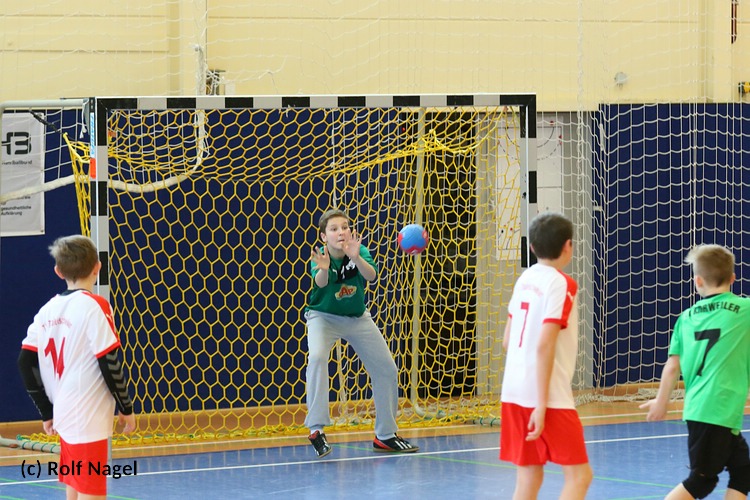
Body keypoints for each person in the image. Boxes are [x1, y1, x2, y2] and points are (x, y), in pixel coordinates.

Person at [17, 235, 136, 500]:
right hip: (88, 414)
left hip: (64, 412)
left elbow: (25, 362)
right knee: (91, 492)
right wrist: (126, 407)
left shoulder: (47, 310)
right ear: (98, 266)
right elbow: (109, 361)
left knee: (75, 489)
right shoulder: (96, 306)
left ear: (58, 271)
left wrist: (47, 411)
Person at [304, 209, 418, 457]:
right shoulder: (320, 257)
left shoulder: (359, 251)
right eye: (334, 229)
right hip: (323, 317)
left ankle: (386, 435)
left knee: (387, 368)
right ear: (324, 236)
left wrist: (356, 257)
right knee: (317, 357)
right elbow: (321, 282)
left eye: (344, 227)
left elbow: (372, 276)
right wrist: (323, 269)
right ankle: (316, 430)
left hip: (357, 318)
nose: (341, 232)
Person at [640, 244, 750, 500]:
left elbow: (672, 366)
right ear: (733, 278)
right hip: (717, 410)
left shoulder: (686, 317)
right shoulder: (744, 310)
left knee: (743, 471)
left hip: (705, 409)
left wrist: (661, 401)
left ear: (698, 281)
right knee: (701, 480)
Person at [499, 212, 593, 499]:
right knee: (579, 476)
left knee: (529, 477)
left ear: (532, 247)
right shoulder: (562, 284)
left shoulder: (525, 278)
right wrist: (540, 405)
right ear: (568, 246)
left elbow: (507, 341)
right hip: (547, 396)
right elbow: (544, 345)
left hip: (513, 392)